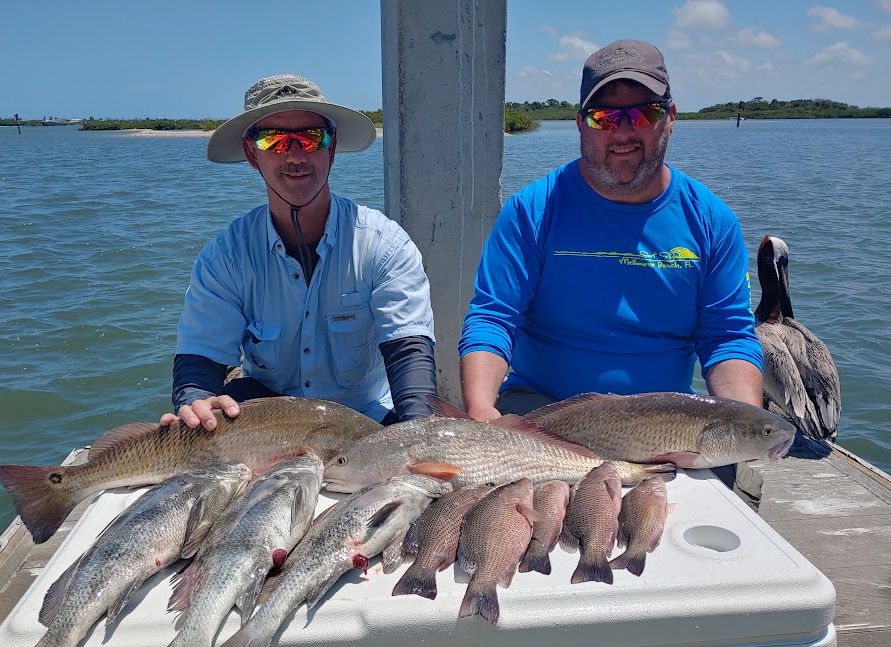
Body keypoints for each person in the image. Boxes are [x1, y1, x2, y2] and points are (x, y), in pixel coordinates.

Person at [458, 40, 766, 509]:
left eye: (642, 114)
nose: (623, 132)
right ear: (581, 122)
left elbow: (727, 337)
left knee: (729, 524)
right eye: (604, 117)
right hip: (542, 412)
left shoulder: (711, 220)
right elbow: (493, 318)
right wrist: (482, 412)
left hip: (667, 423)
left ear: (670, 116)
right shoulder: (531, 211)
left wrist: (744, 425)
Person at [161, 74, 437, 431]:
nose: (294, 155)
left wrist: (419, 435)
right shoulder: (225, 257)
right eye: (273, 139)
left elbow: (408, 353)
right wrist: (195, 403)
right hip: (263, 425)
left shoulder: (385, 246)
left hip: (364, 420)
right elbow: (201, 358)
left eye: (310, 138)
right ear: (250, 153)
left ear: (331, 148)